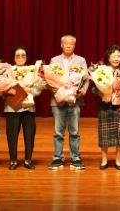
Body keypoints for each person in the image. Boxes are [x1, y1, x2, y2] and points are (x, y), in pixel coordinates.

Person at [48, 35, 89, 170]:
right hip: (58, 101)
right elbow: (49, 79)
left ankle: (75, 157)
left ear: (74, 46)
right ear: (61, 45)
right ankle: (57, 157)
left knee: (74, 132)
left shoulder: (81, 60)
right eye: (66, 43)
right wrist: (53, 89)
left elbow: (86, 80)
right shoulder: (54, 60)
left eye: (71, 44)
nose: (68, 45)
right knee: (58, 132)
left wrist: (82, 92)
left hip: (74, 101)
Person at [93, 45, 120, 170]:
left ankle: (118, 160)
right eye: (113, 56)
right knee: (104, 133)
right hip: (105, 105)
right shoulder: (101, 70)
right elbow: (94, 88)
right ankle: (104, 160)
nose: (116, 58)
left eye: (118, 56)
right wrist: (101, 93)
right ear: (108, 57)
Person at [4, 46, 38, 170]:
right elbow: (1, 87)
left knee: (29, 134)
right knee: (12, 134)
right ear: (14, 58)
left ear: (26, 57)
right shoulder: (7, 70)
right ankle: (13, 160)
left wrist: (30, 90)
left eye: (23, 55)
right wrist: (8, 90)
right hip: (12, 106)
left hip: (28, 106)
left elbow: (39, 87)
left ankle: (28, 160)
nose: (20, 58)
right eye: (17, 55)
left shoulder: (32, 70)